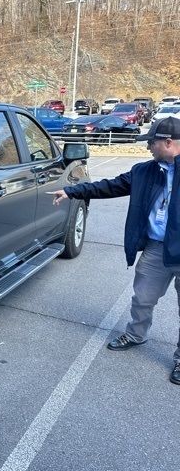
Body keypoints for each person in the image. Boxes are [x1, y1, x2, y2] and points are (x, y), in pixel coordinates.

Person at [48, 116, 180, 385]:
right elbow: (111, 185)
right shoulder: (145, 171)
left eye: (151, 143)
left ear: (167, 142)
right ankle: (136, 334)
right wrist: (72, 191)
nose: (147, 148)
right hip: (156, 248)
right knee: (142, 297)